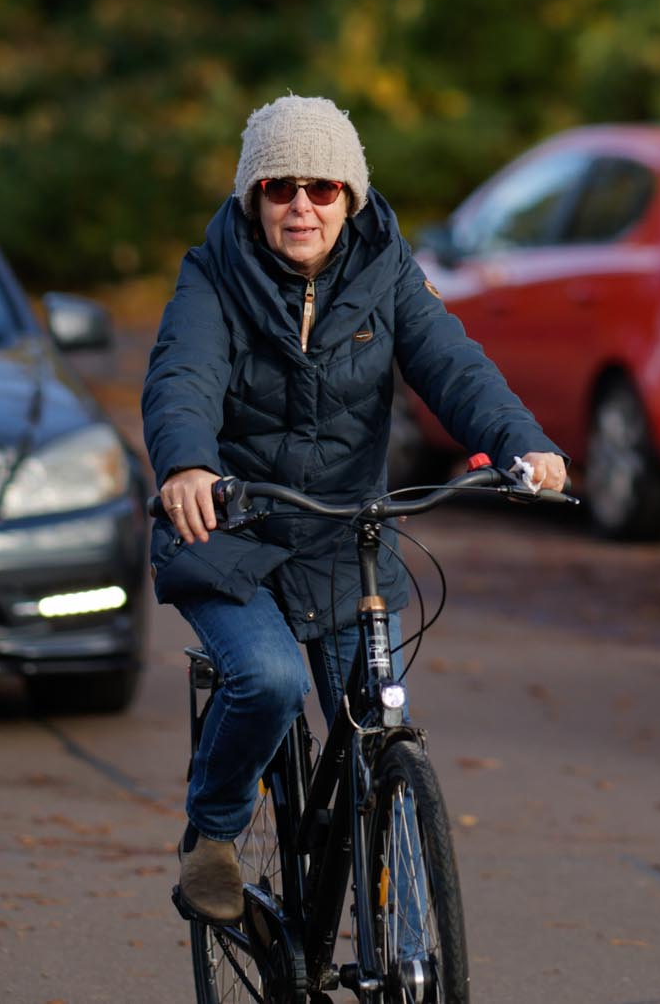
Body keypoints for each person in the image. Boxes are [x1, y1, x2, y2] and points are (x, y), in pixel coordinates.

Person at [142, 95, 569, 921]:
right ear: (252, 197)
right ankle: (214, 831)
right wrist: (189, 465)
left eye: (322, 186)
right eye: (279, 186)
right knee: (265, 681)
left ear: (352, 196)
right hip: (230, 532)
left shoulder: (389, 275)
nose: (301, 204)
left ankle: (407, 952)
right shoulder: (212, 276)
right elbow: (181, 377)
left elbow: (453, 365)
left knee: (379, 733)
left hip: (344, 542)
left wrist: (521, 441)